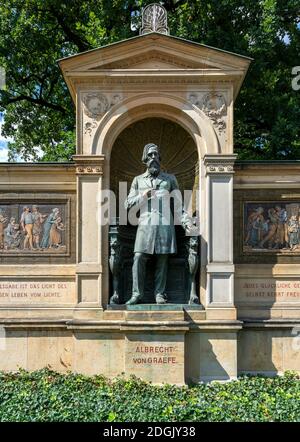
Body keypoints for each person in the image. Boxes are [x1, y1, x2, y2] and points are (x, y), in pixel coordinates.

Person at [124, 143, 193, 305]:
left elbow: (178, 207)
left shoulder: (170, 179)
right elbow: (127, 204)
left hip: (164, 225)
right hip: (145, 225)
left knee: (162, 260)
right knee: (139, 257)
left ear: (160, 158)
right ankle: (136, 294)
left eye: (155, 155)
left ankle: (160, 294)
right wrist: (143, 195)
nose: (153, 158)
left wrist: (186, 222)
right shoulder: (138, 180)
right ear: (144, 159)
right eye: (150, 155)